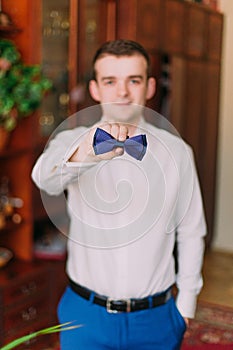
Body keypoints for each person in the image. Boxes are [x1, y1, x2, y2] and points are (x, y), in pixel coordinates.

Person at [32, 39, 206, 349]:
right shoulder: (70, 140)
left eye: (133, 80)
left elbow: (192, 230)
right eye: (110, 81)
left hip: (157, 318)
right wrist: (86, 152)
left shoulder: (178, 152)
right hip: (85, 314)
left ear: (149, 87)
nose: (122, 92)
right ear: (96, 89)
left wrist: (186, 306)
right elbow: (44, 178)